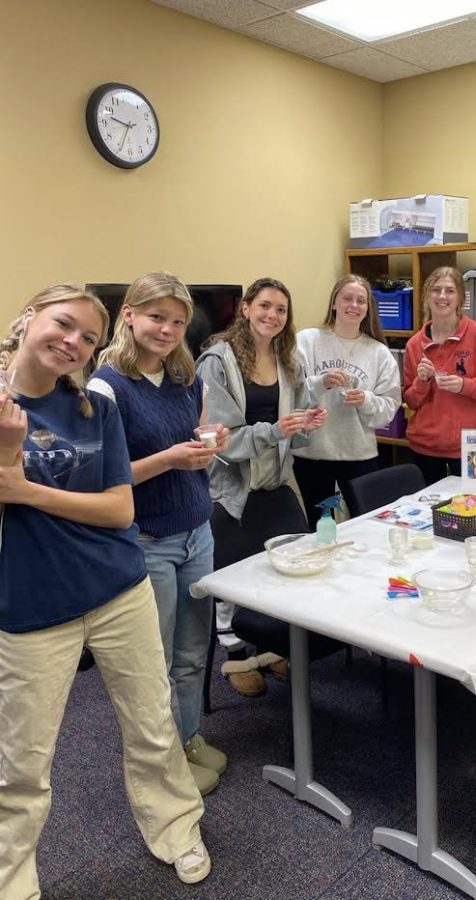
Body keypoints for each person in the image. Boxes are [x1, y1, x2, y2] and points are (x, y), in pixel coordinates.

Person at [0, 285, 211, 896]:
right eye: (63, 325)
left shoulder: (96, 407)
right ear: (30, 317)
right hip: (33, 608)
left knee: (151, 724)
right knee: (22, 762)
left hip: (119, 589)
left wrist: (27, 490)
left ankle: (176, 827)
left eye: (88, 338)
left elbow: (120, 510)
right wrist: (10, 454)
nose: (73, 342)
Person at [88, 272, 229, 797]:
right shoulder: (107, 386)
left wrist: (212, 440)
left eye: (176, 321)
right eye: (156, 318)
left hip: (197, 530)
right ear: (128, 315)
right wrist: (171, 459)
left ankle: (189, 735)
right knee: (158, 660)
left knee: (194, 651)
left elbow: (198, 438)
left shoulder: (186, 377)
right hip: (148, 538)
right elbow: (108, 476)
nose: (167, 330)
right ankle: (164, 755)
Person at [196, 277, 326, 697]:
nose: (272, 315)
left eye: (281, 310)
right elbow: (222, 440)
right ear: (246, 308)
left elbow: (295, 433)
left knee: (289, 563)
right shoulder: (217, 362)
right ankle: (233, 650)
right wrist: (276, 430)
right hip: (231, 489)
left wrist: (306, 425)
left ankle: (271, 644)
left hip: (275, 480)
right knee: (231, 572)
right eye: (265, 306)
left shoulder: (290, 360)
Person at [292, 274, 401, 526]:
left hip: (359, 455)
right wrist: (321, 383)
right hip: (313, 454)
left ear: (367, 309)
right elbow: (288, 394)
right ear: (334, 303)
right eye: (347, 298)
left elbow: (388, 408)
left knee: (367, 525)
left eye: (361, 301)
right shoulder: (306, 341)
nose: (354, 305)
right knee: (319, 526)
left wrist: (365, 400)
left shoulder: (379, 353)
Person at [403, 266, 476, 485]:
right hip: (426, 447)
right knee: (426, 516)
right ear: (427, 296)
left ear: (460, 297)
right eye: (436, 290)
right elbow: (411, 400)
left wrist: (465, 385)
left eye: (450, 291)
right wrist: (421, 381)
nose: (442, 296)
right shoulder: (414, 344)